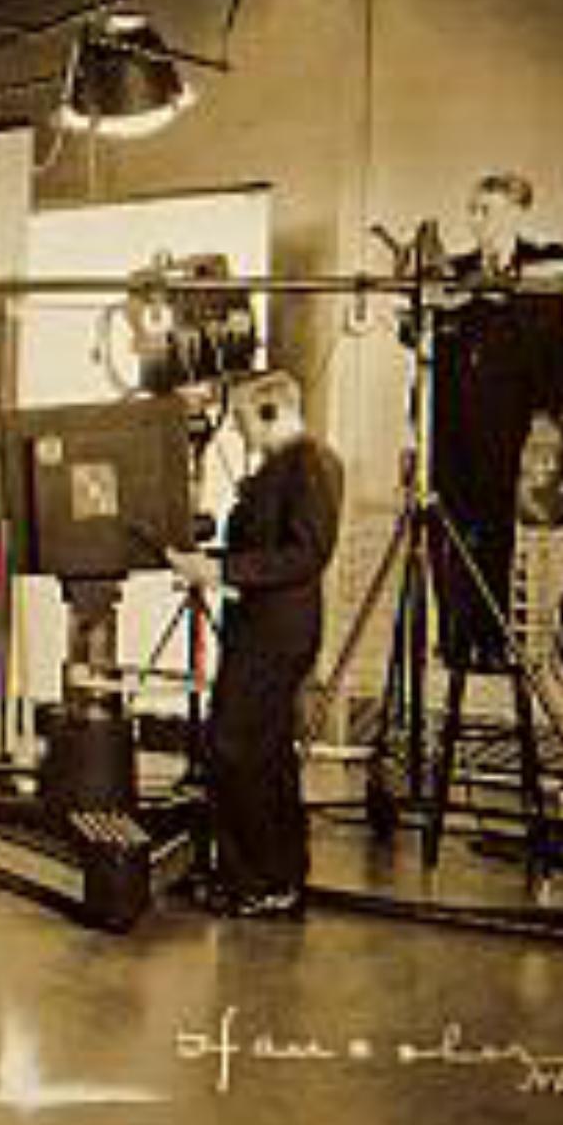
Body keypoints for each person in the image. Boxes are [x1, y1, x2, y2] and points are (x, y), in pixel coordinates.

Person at [167, 370, 344, 919]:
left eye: (243, 420)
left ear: (271, 413)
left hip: (279, 632)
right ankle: (249, 876)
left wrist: (220, 570)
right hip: (260, 628)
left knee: (247, 750)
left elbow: (307, 553)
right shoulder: (280, 467)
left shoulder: (310, 463)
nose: (239, 433)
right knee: (248, 750)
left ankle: (272, 881)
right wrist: (208, 565)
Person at [426, 172, 563, 672]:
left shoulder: (542, 265)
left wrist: (557, 428)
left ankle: (490, 641)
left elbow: (556, 355)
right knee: (446, 528)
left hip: (509, 426)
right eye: (471, 209)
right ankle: (453, 639)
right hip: (450, 426)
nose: (474, 220)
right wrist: (428, 313)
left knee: (495, 530)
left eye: (484, 210)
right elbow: (424, 339)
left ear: (516, 213)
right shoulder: (455, 270)